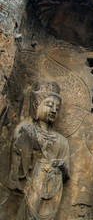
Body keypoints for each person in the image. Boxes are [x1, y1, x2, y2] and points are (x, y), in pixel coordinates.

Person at [6, 80, 70, 220]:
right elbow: (17, 163)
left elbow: (67, 170)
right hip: (33, 185)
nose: (53, 110)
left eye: (57, 108)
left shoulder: (62, 141)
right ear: (36, 104)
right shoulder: (27, 130)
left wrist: (60, 166)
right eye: (49, 105)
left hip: (52, 187)